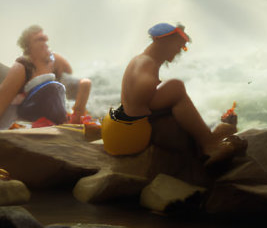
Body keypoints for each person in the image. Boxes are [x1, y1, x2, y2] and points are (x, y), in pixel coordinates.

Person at [101, 23, 246, 164]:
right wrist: (161, 87)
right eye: (179, 45)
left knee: (173, 91)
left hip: (114, 135)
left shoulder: (139, 60)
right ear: (162, 41)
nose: (180, 51)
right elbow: (139, 98)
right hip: (129, 137)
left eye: (184, 47)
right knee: (176, 86)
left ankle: (212, 134)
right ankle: (209, 144)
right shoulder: (147, 62)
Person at [0, 25, 92, 128]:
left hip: (58, 111)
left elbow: (80, 81)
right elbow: (3, 100)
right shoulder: (21, 67)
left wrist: (78, 112)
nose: (45, 43)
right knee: (52, 89)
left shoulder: (56, 61)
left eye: (45, 39)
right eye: (39, 40)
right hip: (29, 112)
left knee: (66, 86)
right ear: (28, 46)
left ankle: (69, 120)